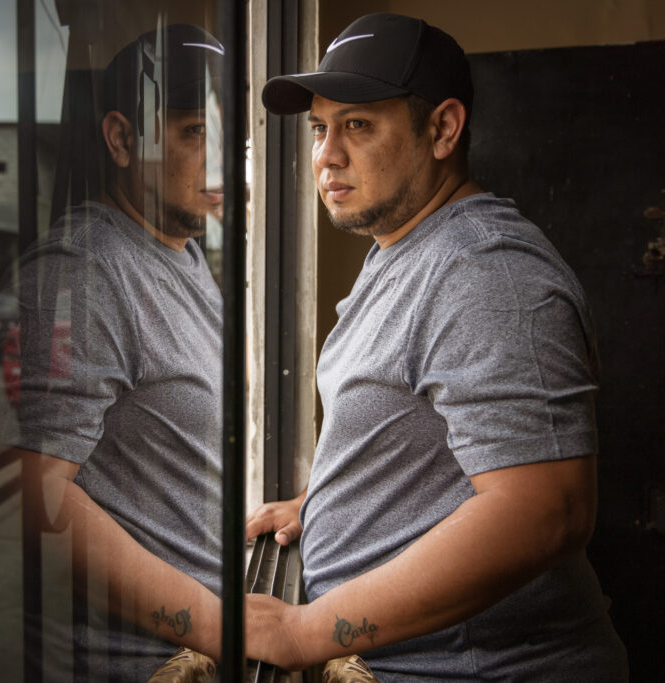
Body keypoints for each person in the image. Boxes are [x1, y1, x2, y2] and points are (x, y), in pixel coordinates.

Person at [243, 12, 629, 680]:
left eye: (358, 125)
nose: (327, 154)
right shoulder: (405, 245)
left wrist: (306, 630)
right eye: (319, 127)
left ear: (443, 128)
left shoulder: (486, 271)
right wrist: (335, 498)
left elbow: (545, 510)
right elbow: (425, 426)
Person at [7, 24, 226, 682]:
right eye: (194, 133)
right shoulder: (83, 272)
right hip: (145, 664)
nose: (220, 162)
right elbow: (41, 500)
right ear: (123, 139)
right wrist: (227, 624)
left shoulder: (183, 248)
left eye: (226, 132)